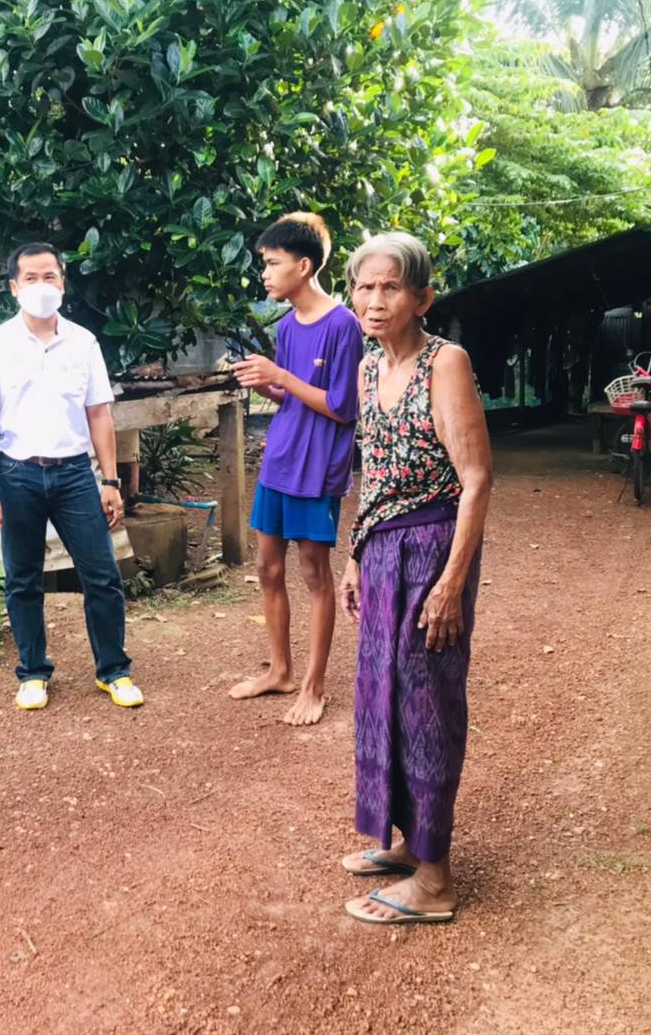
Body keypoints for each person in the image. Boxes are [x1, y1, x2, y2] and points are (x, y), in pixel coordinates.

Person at [335, 232, 492, 925]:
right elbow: (372, 471)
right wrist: (354, 554)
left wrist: (451, 583)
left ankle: (435, 880)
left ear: (422, 297)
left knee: (427, 702)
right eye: (364, 287)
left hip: (433, 549)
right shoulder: (369, 367)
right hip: (382, 549)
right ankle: (407, 843)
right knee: (381, 699)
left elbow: (477, 478)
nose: (374, 301)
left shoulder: (445, 363)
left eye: (391, 287)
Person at [0, 243, 142, 712]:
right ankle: (32, 673)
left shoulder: (83, 342)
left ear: (63, 283)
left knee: (102, 576)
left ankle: (114, 671)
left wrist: (110, 481)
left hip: (74, 475)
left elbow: (99, 414)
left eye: (50, 276)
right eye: (31, 277)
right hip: (16, 474)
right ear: (13, 287)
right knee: (23, 580)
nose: (41, 285)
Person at [229, 212, 362, 726]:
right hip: (280, 461)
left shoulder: (343, 325)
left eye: (272, 263)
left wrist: (281, 375)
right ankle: (280, 671)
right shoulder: (286, 325)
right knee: (267, 567)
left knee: (313, 572)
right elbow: (293, 397)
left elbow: (342, 407)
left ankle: (314, 685)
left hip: (318, 468)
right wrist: (264, 382)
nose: (265, 274)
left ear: (303, 266)